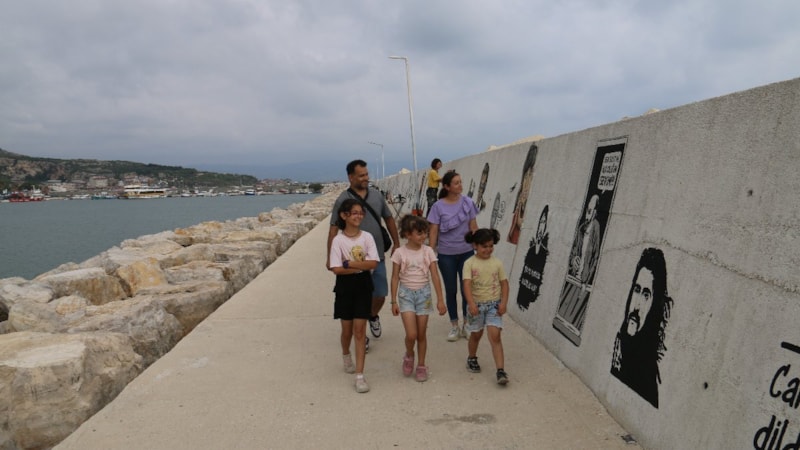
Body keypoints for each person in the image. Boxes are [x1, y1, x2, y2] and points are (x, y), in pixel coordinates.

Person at [328, 160, 400, 350]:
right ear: (351, 177)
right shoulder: (342, 199)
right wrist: (330, 257)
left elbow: (389, 218)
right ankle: (361, 335)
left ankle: (372, 316)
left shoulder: (376, 195)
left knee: (380, 294)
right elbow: (333, 227)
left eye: (366, 174)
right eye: (361, 175)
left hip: (376, 256)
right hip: (352, 261)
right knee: (356, 298)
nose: (366, 178)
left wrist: (397, 243)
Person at [328, 199, 379, 393]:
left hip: (364, 286)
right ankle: (345, 353)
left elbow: (373, 263)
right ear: (344, 215)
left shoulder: (367, 237)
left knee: (359, 331)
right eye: (354, 212)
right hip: (345, 288)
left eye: (361, 213)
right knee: (347, 331)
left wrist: (349, 263)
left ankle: (360, 375)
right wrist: (360, 266)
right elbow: (336, 269)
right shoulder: (338, 240)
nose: (359, 216)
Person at [611, 247, 673, 408]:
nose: (637, 306)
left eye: (646, 295)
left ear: (654, 306)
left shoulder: (646, 377)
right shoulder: (620, 345)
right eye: (636, 290)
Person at [390, 215, 446, 382]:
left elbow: (435, 275)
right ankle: (409, 354)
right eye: (419, 233)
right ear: (408, 234)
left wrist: (440, 300)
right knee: (412, 334)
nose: (424, 236)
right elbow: (395, 277)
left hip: (424, 295)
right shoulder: (399, 253)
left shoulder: (428, 251)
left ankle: (421, 365)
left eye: (425, 233)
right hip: (406, 295)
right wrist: (393, 301)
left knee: (421, 334)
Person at [427, 170, 479, 342]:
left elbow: (473, 226)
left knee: (466, 290)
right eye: (456, 183)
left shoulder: (468, 203)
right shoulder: (437, 207)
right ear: (447, 187)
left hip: (466, 253)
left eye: (460, 182)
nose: (460, 185)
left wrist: (479, 247)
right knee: (451, 290)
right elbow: (433, 230)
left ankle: (466, 324)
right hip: (446, 255)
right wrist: (430, 252)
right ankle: (454, 326)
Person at [463, 228, 510, 385]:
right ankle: (472, 357)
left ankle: (500, 371)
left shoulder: (497, 263)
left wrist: (503, 303)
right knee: (476, 335)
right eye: (484, 246)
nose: (488, 249)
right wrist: (471, 303)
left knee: (495, 336)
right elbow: (466, 285)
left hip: (494, 306)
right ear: (475, 245)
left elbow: (504, 284)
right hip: (476, 306)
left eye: (491, 246)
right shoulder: (469, 263)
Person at [516, 205, 549, 310]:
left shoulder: (544, 252)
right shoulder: (531, 250)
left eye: (544, 223)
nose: (541, 227)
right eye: (541, 223)